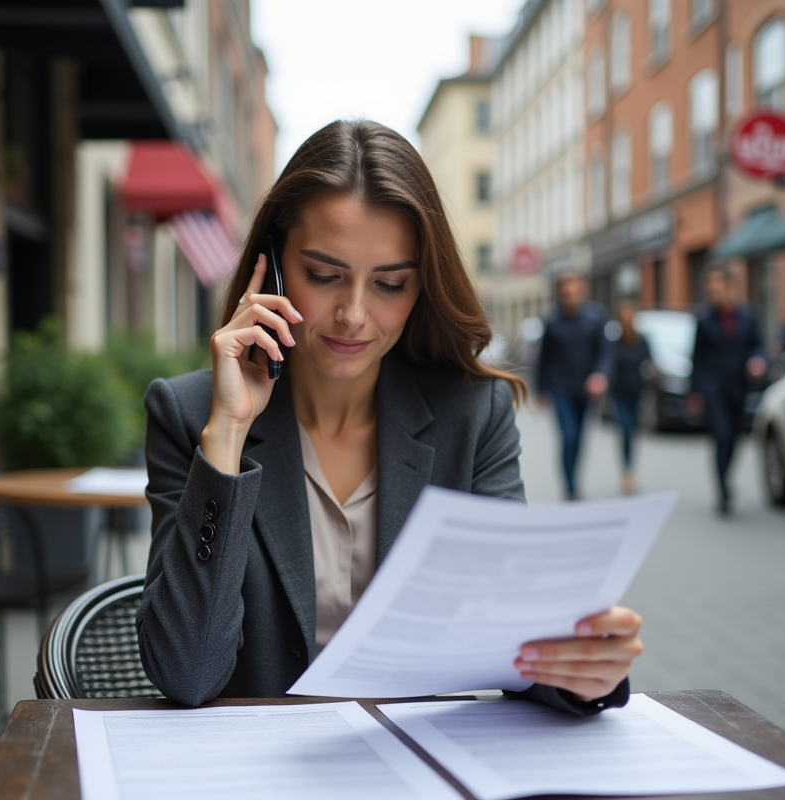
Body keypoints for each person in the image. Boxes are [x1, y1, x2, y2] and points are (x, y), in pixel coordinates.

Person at [137, 120, 643, 714]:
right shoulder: (191, 414)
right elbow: (187, 672)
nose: (354, 314)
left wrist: (584, 667)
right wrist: (227, 436)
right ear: (269, 270)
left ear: (421, 286)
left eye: (390, 283)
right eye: (324, 276)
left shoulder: (471, 414)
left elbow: (513, 630)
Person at [687, 265, 766, 515]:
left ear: (730, 287)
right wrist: (694, 393)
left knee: (733, 438)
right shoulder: (703, 319)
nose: (713, 291)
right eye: (710, 286)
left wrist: (758, 360)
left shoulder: (749, 316)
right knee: (721, 436)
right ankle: (722, 489)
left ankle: (726, 476)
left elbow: (758, 346)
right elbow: (696, 358)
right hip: (713, 389)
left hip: (739, 387)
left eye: (718, 285)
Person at [535, 273, 611, 500]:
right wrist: (540, 390)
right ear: (560, 294)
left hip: (586, 388)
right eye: (566, 293)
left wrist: (600, 374)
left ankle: (574, 478)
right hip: (560, 388)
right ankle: (569, 487)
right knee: (568, 436)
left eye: (575, 292)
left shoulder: (596, 318)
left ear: (583, 292)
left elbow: (605, 352)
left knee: (579, 438)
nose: (571, 297)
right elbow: (543, 358)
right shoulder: (551, 320)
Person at [605, 301, 653, 495]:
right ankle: (626, 472)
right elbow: (607, 364)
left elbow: (649, 362)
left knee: (633, 431)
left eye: (629, 317)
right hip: (619, 393)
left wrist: (650, 370)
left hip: (637, 392)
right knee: (624, 429)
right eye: (623, 317)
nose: (626, 321)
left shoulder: (642, 341)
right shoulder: (614, 343)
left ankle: (630, 468)